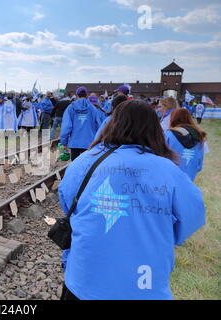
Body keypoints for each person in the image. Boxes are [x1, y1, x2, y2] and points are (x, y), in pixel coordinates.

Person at [58, 99, 205, 300]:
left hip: (85, 278)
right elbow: (194, 215)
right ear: (155, 130)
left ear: (112, 123)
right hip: (144, 284)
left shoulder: (84, 161)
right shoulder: (169, 171)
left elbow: (67, 202)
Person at [60, 87, 103, 161]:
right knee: (87, 167)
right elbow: (99, 126)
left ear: (77, 95)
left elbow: (66, 126)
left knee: (75, 165)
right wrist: (99, 141)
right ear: (87, 95)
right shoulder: (93, 109)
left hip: (74, 143)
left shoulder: (71, 108)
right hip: (90, 143)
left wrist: (64, 142)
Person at [165, 108, 206, 181]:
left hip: (171, 178)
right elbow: (199, 165)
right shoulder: (199, 135)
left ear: (173, 118)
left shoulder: (168, 134)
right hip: (190, 178)